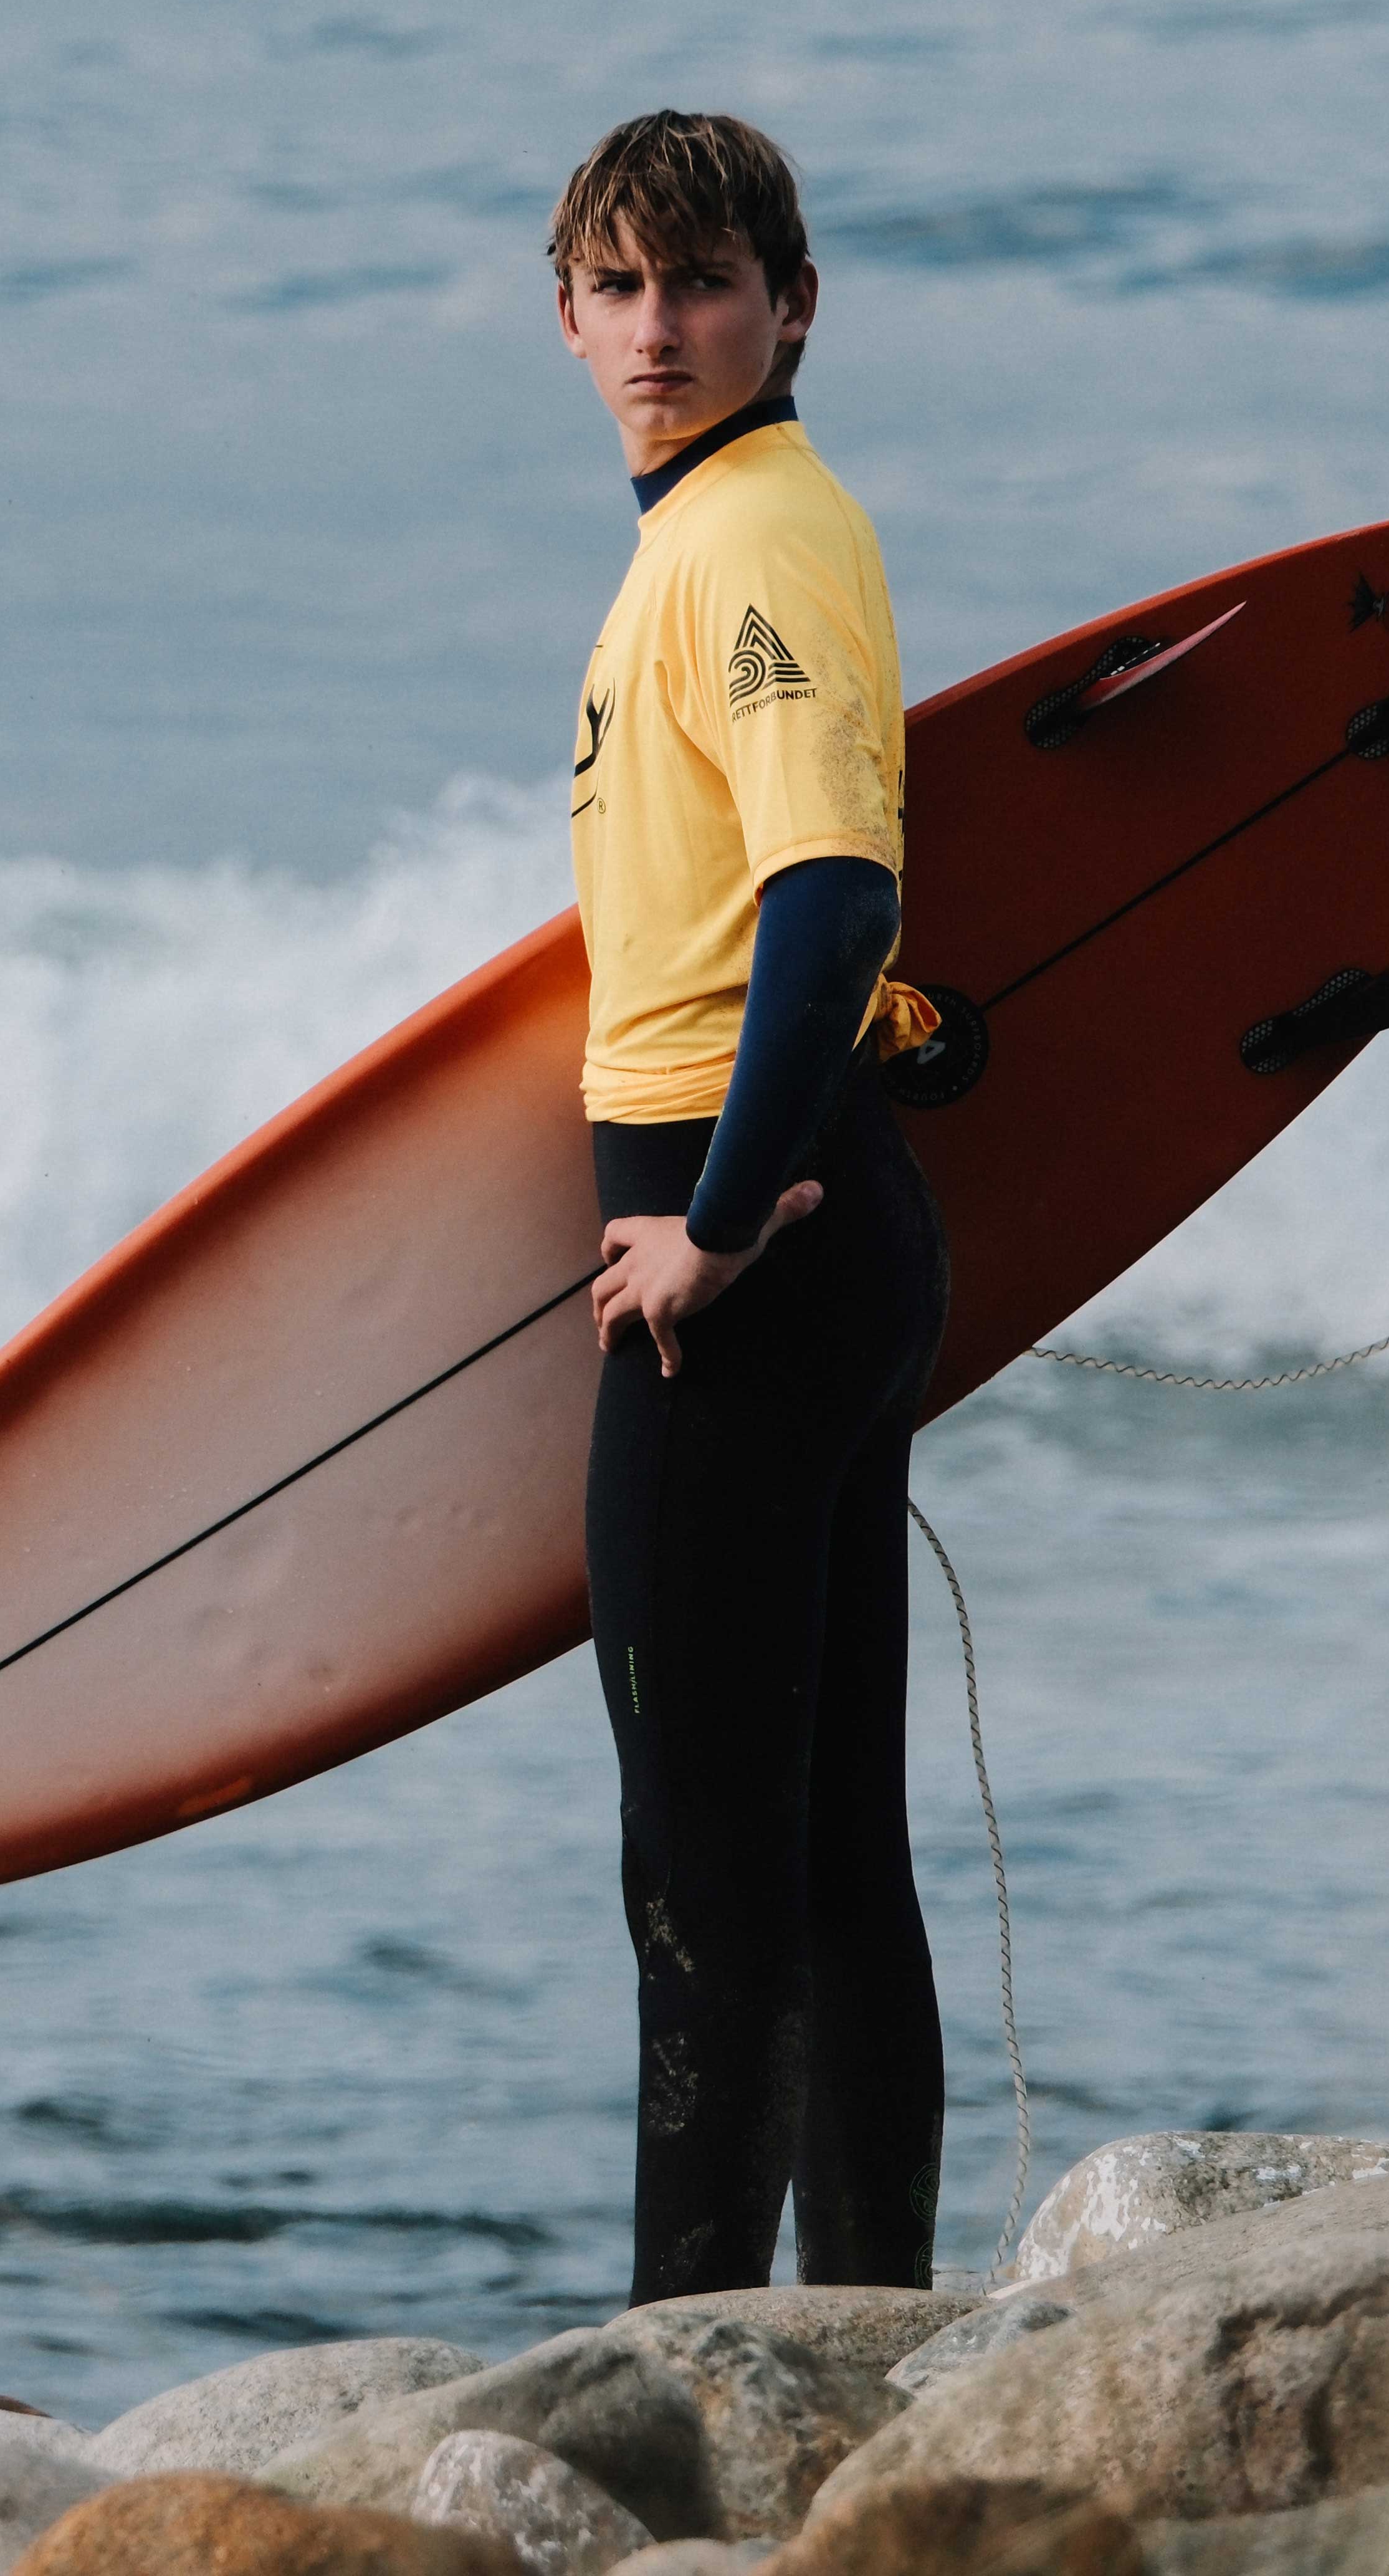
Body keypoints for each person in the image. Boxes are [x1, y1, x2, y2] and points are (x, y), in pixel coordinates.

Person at [550, 110, 952, 2301]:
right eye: (619, 286)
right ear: (564, 318)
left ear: (793, 308)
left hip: (748, 1254)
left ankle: (687, 2373)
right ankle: (864, 2336)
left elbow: (832, 895)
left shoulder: (749, 542)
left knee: (700, 1875)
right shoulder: (728, 533)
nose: (659, 328)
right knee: (821, 1856)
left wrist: (713, 1226)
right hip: (830, 1223)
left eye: (703, 283)